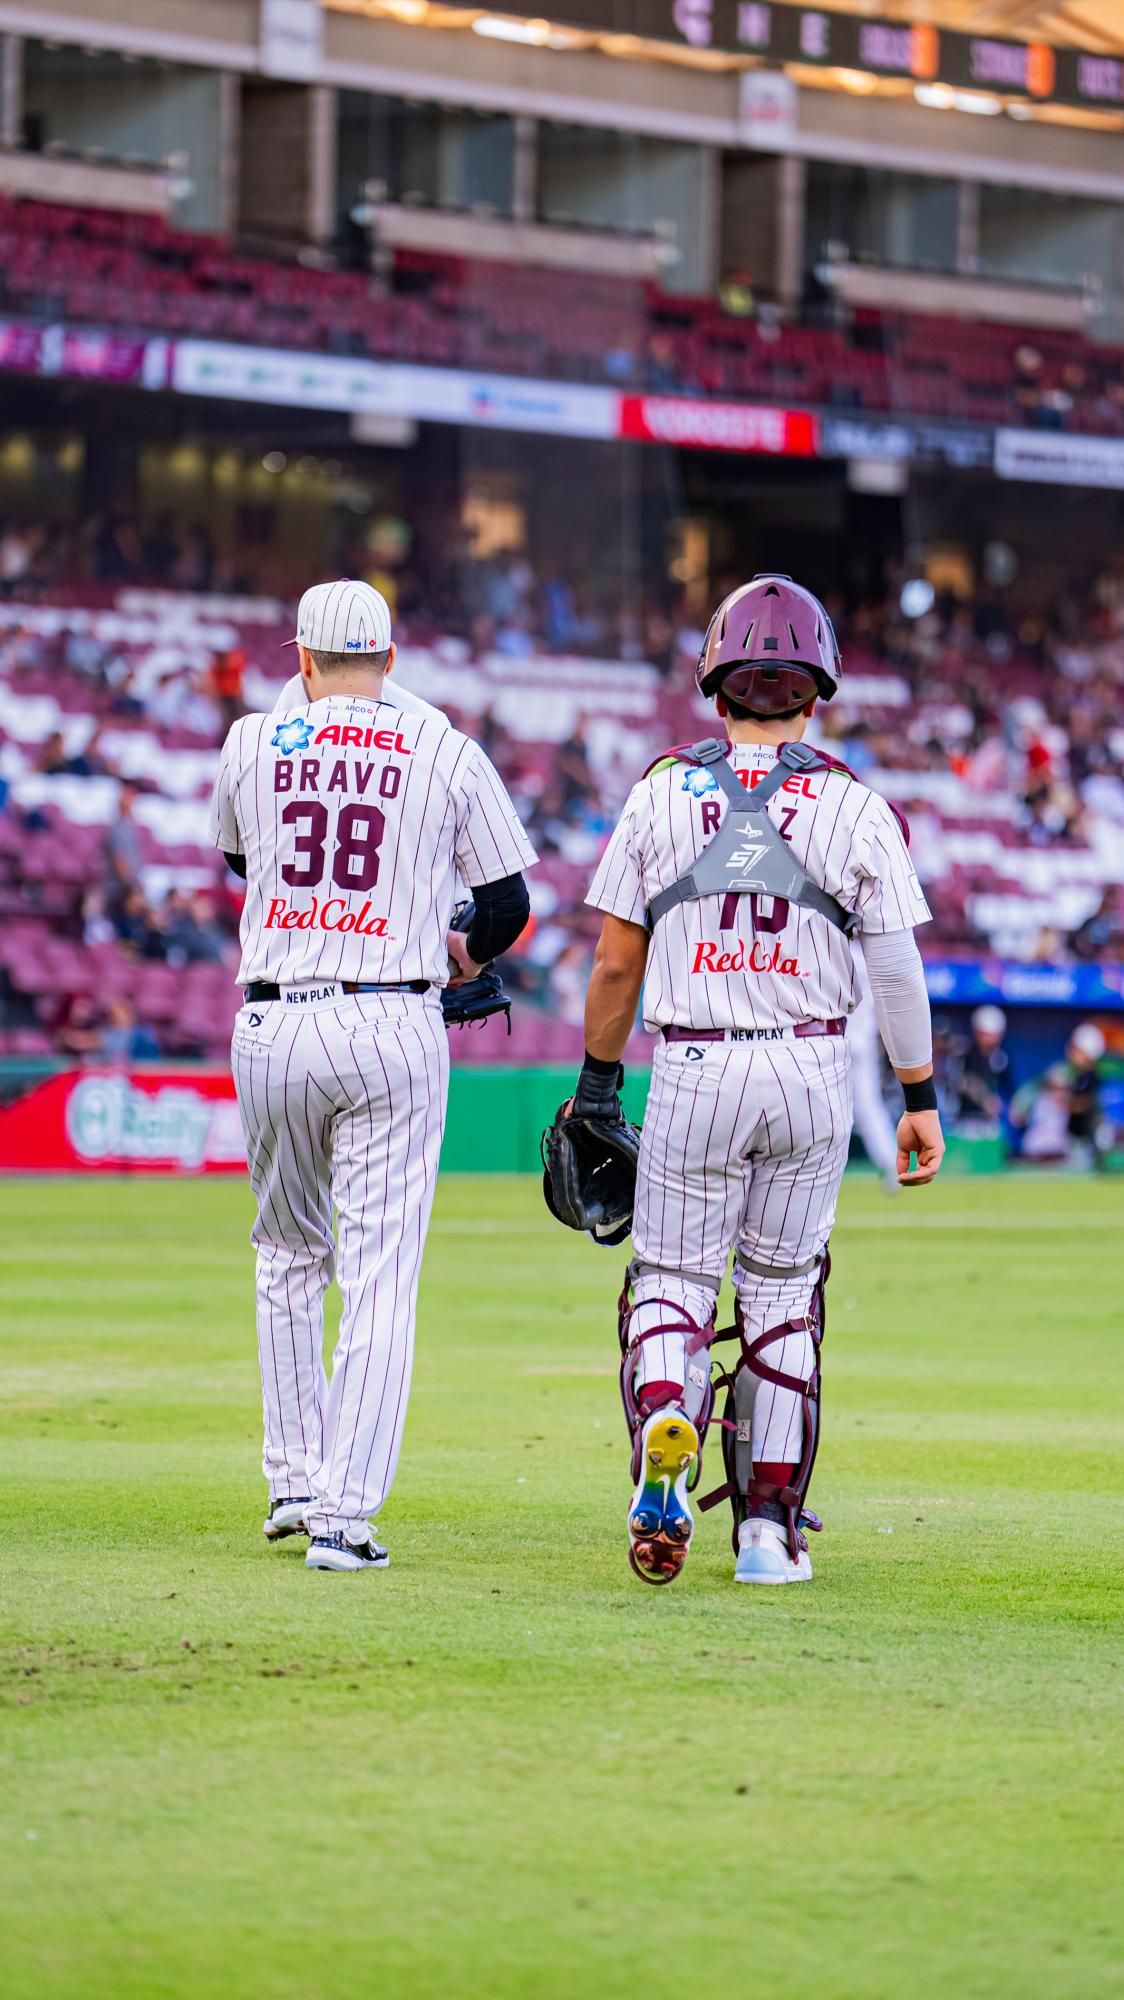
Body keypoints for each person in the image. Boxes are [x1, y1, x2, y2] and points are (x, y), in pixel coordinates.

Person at [577, 573, 943, 1587]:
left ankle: (665, 1409)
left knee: (670, 1282)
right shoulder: (858, 805)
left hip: (692, 1058)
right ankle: (767, 1533)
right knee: (784, 1294)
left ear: (714, 682)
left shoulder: (657, 790)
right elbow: (896, 968)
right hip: (812, 1066)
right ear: (816, 689)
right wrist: (914, 1097)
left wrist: (597, 1083)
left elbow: (613, 962)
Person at [210, 578, 535, 1574]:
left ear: (300, 662)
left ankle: (292, 1481)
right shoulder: (442, 744)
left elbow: (238, 861)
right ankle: (343, 1519)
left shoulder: (250, 740)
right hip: (391, 1012)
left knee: (284, 1256)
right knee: (377, 1274)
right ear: (391, 661)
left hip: (270, 1013)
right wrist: (460, 951)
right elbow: (507, 900)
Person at [955, 1004, 1010, 1126]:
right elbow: (961, 1080)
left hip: (990, 1122)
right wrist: (985, 1099)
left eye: (995, 1035)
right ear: (977, 1033)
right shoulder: (964, 1052)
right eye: (986, 1034)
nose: (991, 1040)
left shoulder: (1002, 1056)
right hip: (962, 1119)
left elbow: (1008, 1086)